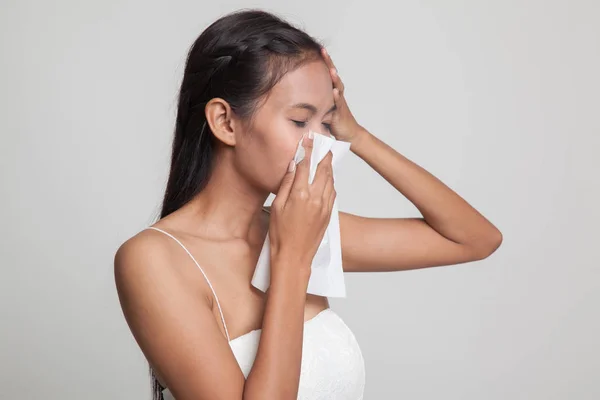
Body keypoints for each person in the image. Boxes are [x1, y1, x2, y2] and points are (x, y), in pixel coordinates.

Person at [114, 8, 502, 400]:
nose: (321, 144)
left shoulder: (300, 231)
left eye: (327, 122)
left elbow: (474, 239)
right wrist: (292, 260)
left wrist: (358, 136)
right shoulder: (153, 261)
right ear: (225, 122)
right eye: (300, 121)